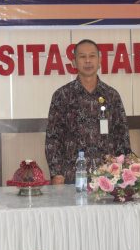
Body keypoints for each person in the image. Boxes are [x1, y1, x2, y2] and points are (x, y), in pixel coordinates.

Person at [45, 39, 131, 184]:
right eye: (82, 56)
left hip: (108, 177)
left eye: (92, 56)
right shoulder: (63, 95)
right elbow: (53, 138)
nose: (88, 61)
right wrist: (56, 173)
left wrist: (124, 170)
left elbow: (122, 136)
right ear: (74, 62)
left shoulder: (111, 95)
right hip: (71, 176)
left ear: (99, 61)